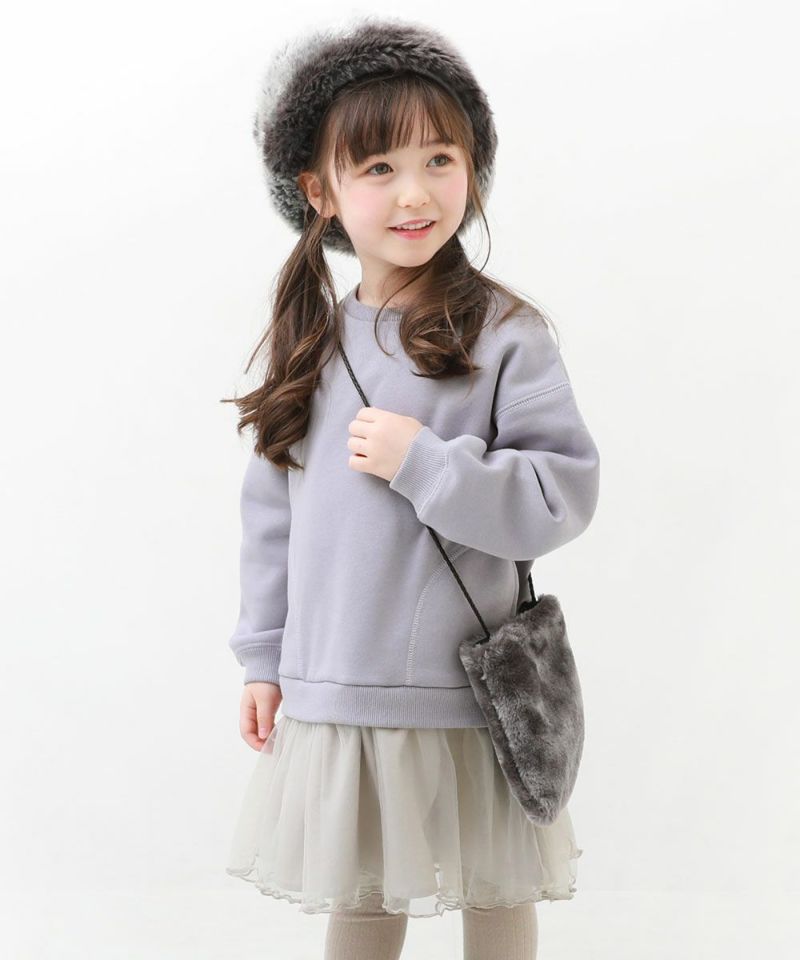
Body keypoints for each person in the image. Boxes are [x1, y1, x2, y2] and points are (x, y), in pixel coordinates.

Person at [222, 15, 600, 960]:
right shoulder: (311, 343)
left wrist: (427, 463)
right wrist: (263, 655)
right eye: (379, 167)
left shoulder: (506, 336)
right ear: (319, 192)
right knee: (363, 891)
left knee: (497, 887)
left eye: (440, 158)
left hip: (466, 691)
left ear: (474, 169)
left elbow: (559, 494)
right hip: (339, 684)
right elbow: (271, 518)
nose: (416, 191)